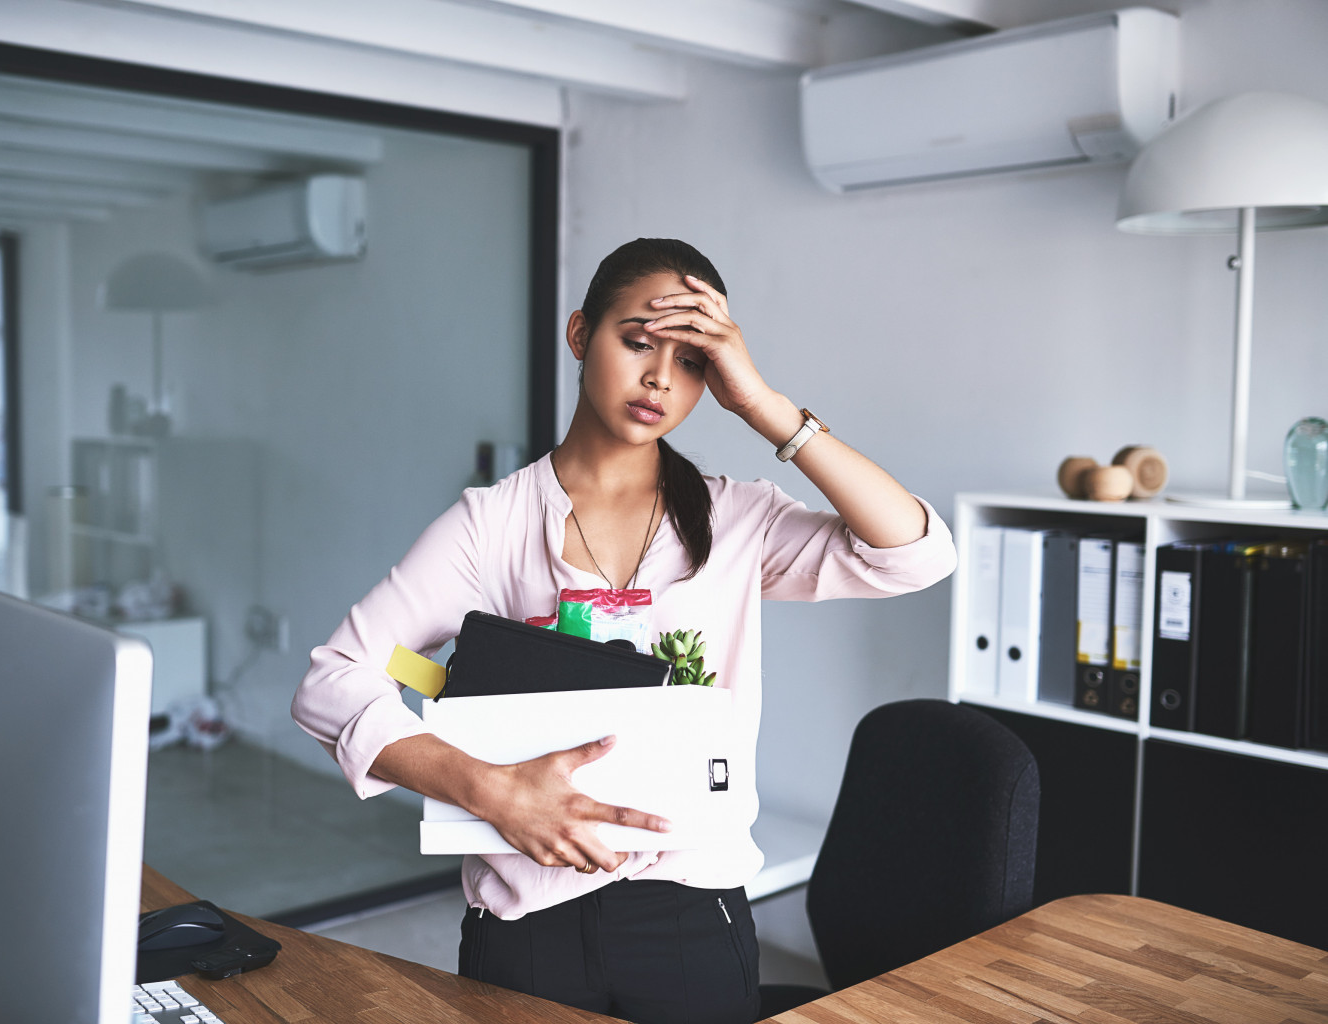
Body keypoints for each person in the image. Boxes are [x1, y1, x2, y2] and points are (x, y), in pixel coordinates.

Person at [292, 238, 956, 1024]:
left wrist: (765, 408)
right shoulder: (491, 524)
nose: (660, 381)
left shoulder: (738, 518)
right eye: (637, 343)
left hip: (690, 914)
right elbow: (336, 676)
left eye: (693, 363)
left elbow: (916, 557)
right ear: (580, 335)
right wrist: (492, 790)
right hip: (525, 914)